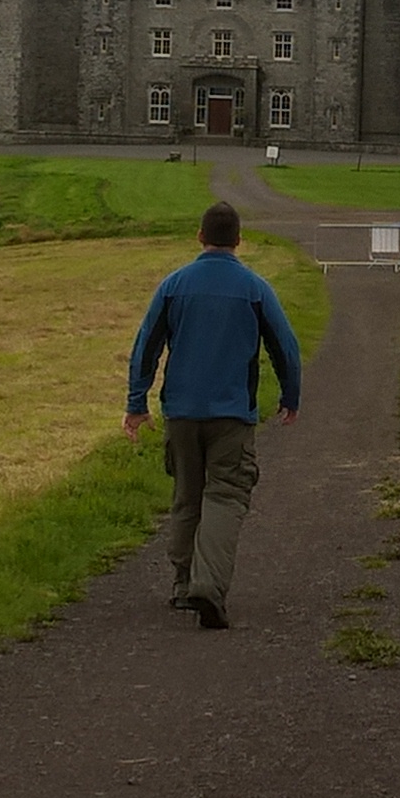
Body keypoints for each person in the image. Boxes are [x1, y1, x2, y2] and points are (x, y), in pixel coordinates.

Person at [124, 201, 301, 629]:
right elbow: (286, 346)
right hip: (231, 413)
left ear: (199, 237)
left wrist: (136, 403)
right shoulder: (256, 288)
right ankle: (209, 585)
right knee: (225, 495)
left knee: (187, 495)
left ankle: (183, 585)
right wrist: (290, 396)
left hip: (181, 412)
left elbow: (146, 344)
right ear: (239, 241)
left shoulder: (174, 285)